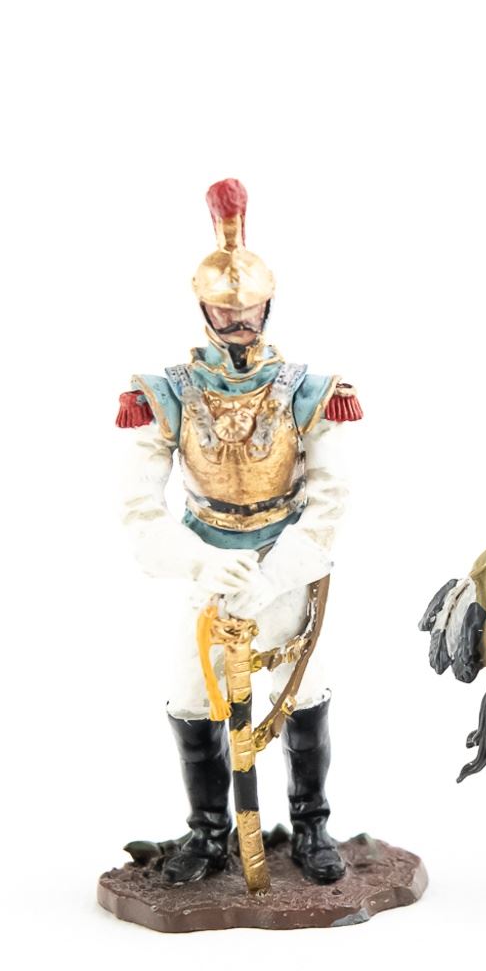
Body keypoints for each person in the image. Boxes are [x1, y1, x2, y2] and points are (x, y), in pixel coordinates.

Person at [115, 179, 362, 885]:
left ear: (267, 305)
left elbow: (331, 503)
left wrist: (278, 572)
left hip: (285, 565)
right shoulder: (165, 394)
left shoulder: (310, 391)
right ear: (204, 310)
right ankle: (209, 832)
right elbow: (137, 510)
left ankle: (311, 824)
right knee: (193, 700)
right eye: (226, 310)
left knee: (302, 694)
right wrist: (197, 561)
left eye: (248, 308)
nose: (239, 320)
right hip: (207, 572)